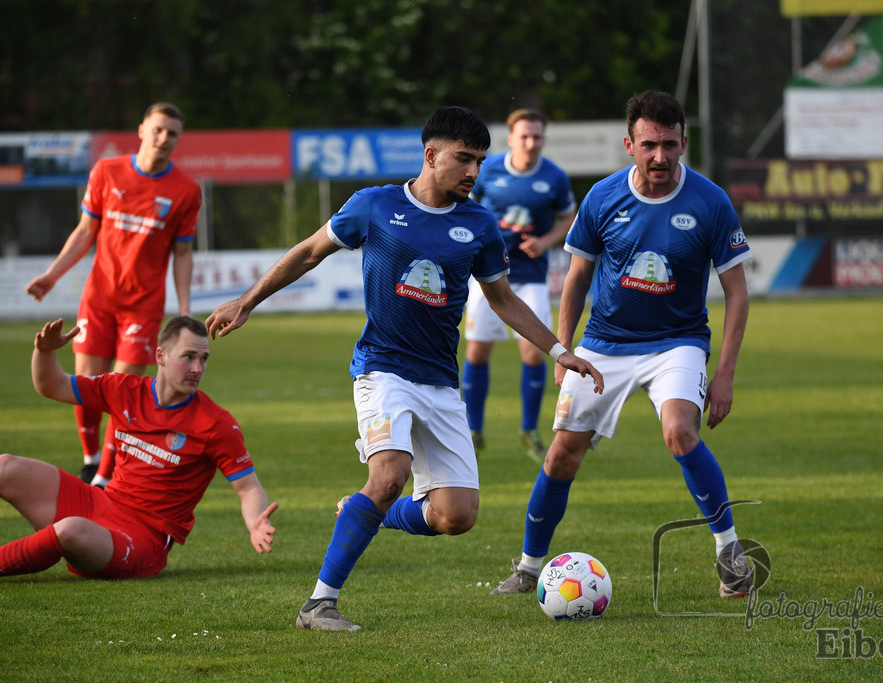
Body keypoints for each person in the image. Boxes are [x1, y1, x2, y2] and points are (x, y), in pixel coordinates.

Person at [205, 106, 603, 631]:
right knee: (389, 474)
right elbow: (307, 253)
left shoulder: (480, 224)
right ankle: (319, 604)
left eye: (480, 162)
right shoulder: (374, 206)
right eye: (464, 159)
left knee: (456, 516)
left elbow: (503, 299)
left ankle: (360, 509)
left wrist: (559, 349)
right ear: (431, 155)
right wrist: (247, 300)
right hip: (382, 369)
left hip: (440, 382)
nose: (473, 172)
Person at [491, 91, 755, 599]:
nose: (660, 156)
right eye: (650, 145)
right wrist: (564, 349)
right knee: (562, 456)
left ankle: (730, 554)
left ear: (684, 143)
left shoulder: (710, 201)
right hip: (604, 345)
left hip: (677, 343)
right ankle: (528, 568)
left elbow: (737, 292)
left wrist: (724, 374)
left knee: (679, 431)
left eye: (670, 145)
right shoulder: (602, 197)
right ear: (629, 144)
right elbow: (575, 279)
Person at [0, 316, 277, 586]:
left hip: (143, 538)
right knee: (3, 467)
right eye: (189, 357)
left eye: (204, 359)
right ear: (161, 356)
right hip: (100, 503)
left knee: (70, 530)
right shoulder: (123, 388)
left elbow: (247, 488)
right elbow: (52, 385)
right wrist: (44, 352)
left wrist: (255, 521)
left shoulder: (216, 423)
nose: (198, 369)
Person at [26, 102, 202, 487]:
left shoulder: (186, 191)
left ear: (178, 139)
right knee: (87, 383)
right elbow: (85, 231)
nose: (163, 138)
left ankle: (103, 479)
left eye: (172, 133)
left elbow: (183, 252)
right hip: (100, 299)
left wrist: (186, 310)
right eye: (157, 130)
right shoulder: (107, 171)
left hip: (143, 306)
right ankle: (90, 460)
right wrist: (52, 275)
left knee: (121, 391)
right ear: (141, 130)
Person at [462, 109, 576, 462]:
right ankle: (473, 430)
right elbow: (465, 206)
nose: (531, 143)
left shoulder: (554, 177)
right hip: (486, 274)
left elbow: (568, 218)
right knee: (477, 351)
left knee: (532, 351)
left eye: (537, 136)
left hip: (530, 278)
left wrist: (544, 242)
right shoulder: (489, 170)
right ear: (511, 138)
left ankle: (529, 430)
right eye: (524, 136)